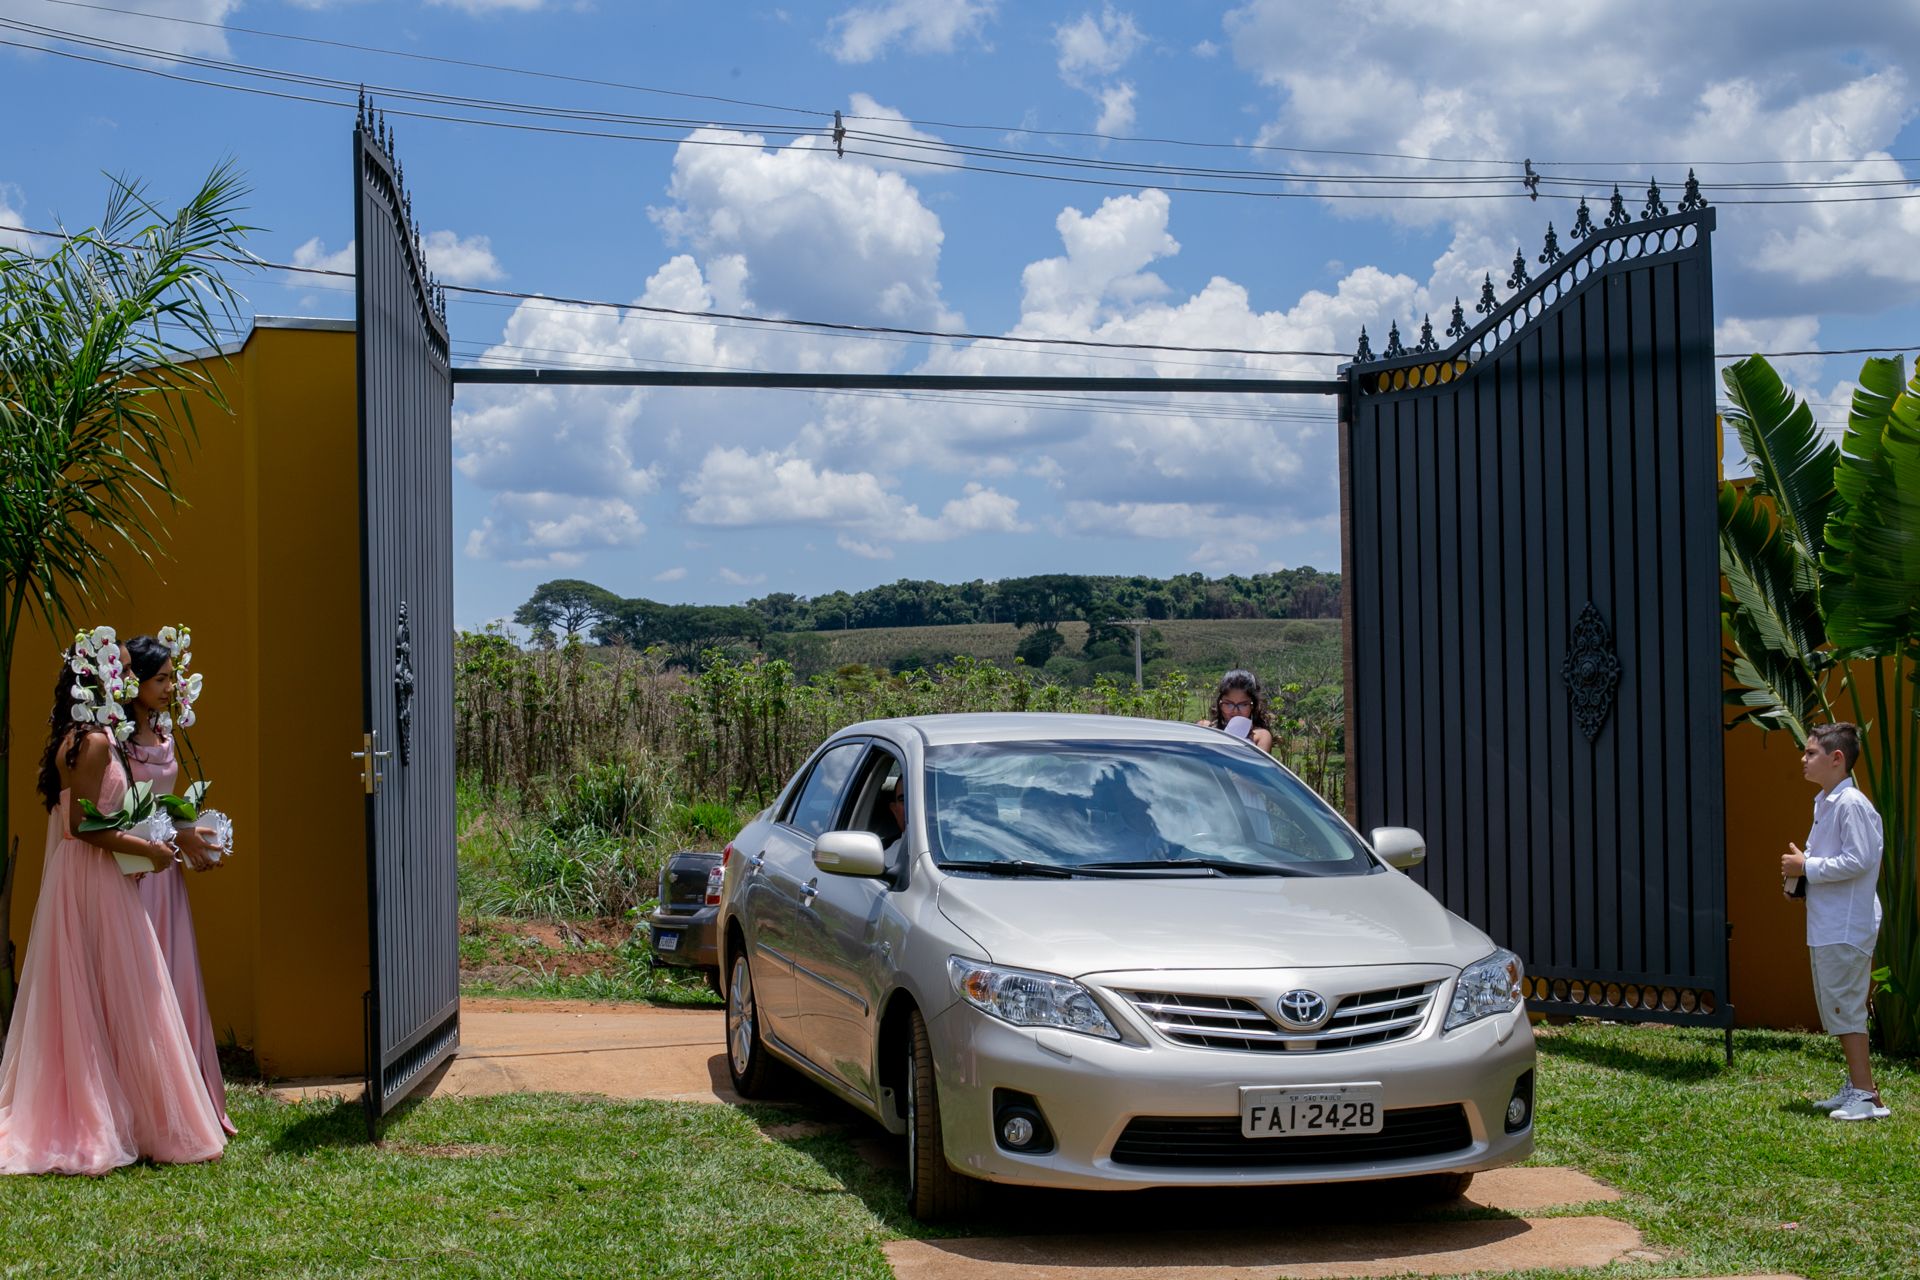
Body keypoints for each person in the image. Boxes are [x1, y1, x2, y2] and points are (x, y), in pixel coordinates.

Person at [0, 629, 227, 1175]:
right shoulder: (96, 743)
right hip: (95, 877)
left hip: (86, 878)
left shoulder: (89, 735)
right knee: (135, 992)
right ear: (99, 679)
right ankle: (132, 1119)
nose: (128, 680)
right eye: (121, 671)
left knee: (107, 996)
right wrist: (148, 850)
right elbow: (81, 828)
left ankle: (124, 1107)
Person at [125, 633, 235, 1136]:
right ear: (135, 682)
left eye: (173, 677)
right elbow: (118, 810)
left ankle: (185, 1091)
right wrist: (178, 836)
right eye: (162, 678)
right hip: (132, 874)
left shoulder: (166, 735)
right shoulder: (113, 740)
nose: (171, 686)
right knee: (139, 983)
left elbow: (165, 802)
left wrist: (193, 835)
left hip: (166, 879)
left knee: (173, 976)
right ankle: (139, 1101)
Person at [1780, 723, 1889, 1122]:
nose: (1803, 760)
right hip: (1829, 923)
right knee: (1840, 1008)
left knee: (1846, 1008)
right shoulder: (1825, 802)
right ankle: (1860, 1088)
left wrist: (1806, 865)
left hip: (1845, 925)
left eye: (1811, 753)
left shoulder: (1851, 804)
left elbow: (1860, 860)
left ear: (1836, 758)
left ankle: (1865, 1094)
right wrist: (1802, 878)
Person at [1197, 669, 1275, 753]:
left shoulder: (1260, 736)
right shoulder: (1205, 728)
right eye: (1228, 704)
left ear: (1252, 706)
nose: (1235, 711)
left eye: (1243, 705)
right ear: (1220, 704)